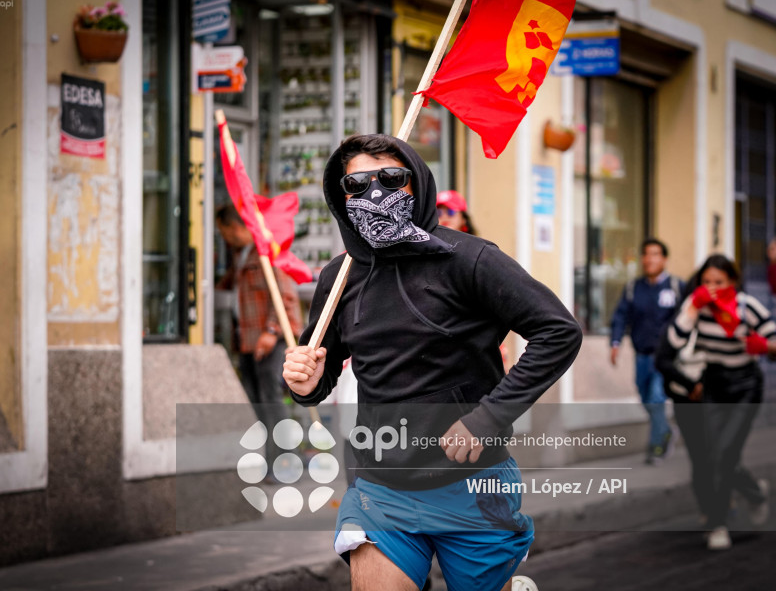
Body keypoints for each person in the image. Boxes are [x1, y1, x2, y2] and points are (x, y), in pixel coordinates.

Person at [283, 134, 582, 591]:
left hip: (473, 482)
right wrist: (303, 383)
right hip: (381, 486)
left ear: (417, 183)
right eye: (357, 185)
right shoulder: (338, 277)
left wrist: (487, 418)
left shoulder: (470, 259)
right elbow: (318, 374)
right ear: (341, 198)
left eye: (391, 178)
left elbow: (559, 332)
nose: (374, 193)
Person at [658, 254, 772, 550]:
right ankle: (751, 495)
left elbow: (774, 340)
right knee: (712, 454)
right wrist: (692, 308)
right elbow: (672, 343)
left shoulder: (748, 307)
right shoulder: (697, 306)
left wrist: (765, 346)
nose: (712, 288)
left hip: (745, 387)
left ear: (732, 281)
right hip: (714, 384)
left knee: (725, 452)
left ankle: (718, 523)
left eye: (719, 282)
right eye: (706, 282)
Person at [216, 204, 302, 477]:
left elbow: (285, 296)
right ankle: (267, 461)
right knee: (255, 400)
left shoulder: (266, 252)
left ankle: (286, 462)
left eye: (223, 231)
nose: (224, 238)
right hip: (246, 340)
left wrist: (272, 331)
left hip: (269, 340)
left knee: (270, 399)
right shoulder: (240, 256)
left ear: (235, 227)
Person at [609, 238, 685, 464]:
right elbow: (620, 316)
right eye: (646, 254)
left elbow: (685, 318)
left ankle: (656, 447)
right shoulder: (634, 288)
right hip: (641, 355)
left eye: (655, 254)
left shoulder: (676, 287)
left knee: (656, 398)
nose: (649, 259)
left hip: (665, 357)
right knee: (645, 397)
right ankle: (666, 431)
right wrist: (615, 342)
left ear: (664, 259)